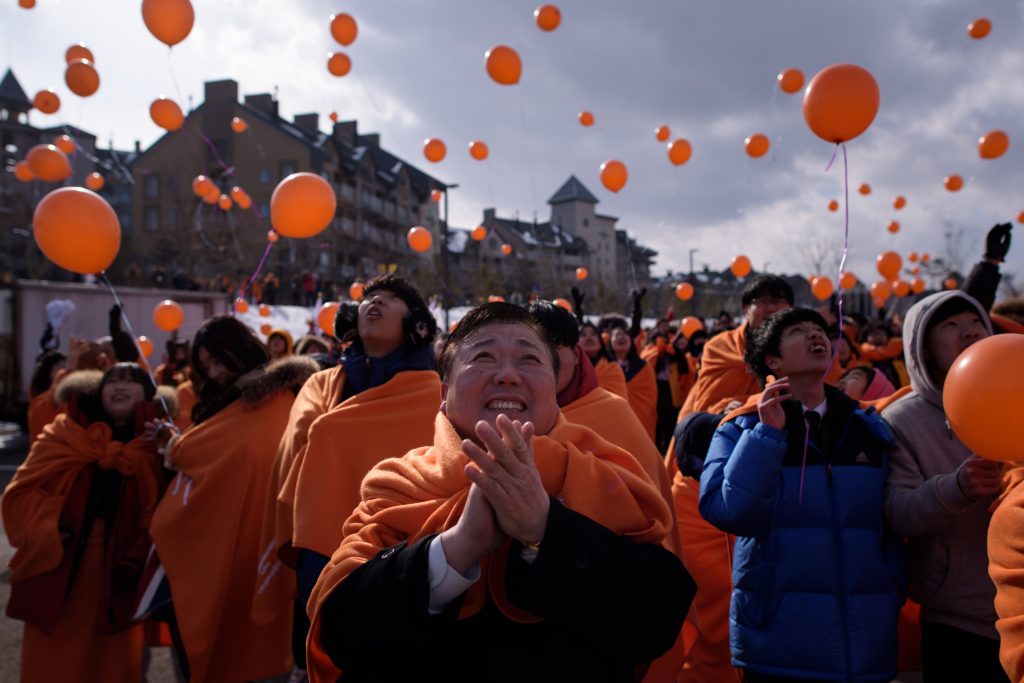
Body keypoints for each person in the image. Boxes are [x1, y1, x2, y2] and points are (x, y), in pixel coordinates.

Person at [305, 302, 694, 682]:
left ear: (554, 391)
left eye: (529, 360)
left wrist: (545, 528)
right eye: (484, 357)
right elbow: (341, 632)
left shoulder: (605, 471)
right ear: (444, 392)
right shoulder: (397, 482)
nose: (508, 375)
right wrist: (455, 549)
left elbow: (657, 621)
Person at [700, 307, 904, 682]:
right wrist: (767, 437)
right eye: (799, 331)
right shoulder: (740, 428)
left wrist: (890, 588)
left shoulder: (868, 428)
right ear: (771, 360)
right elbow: (728, 511)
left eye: (820, 330)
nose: (816, 336)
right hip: (778, 643)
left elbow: (888, 524)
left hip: (863, 641)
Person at [255, 275, 440, 677]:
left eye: (391, 300)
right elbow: (298, 449)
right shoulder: (321, 384)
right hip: (319, 540)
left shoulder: (436, 392)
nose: (374, 303)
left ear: (416, 323)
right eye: (369, 297)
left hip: (399, 550)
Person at [147, 316, 319, 683]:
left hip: (263, 537)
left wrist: (177, 448)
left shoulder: (276, 399)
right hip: (224, 537)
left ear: (238, 349)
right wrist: (177, 448)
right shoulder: (226, 400)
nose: (214, 372)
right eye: (206, 366)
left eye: (218, 360)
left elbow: (222, 452)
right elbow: (204, 452)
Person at [4, 363, 172, 683]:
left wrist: (168, 452)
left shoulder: (157, 444)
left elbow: (167, 509)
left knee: (112, 662)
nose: (119, 387)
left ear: (148, 393)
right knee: (52, 661)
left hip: (119, 573)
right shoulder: (64, 433)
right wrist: (50, 527)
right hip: (58, 565)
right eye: (112, 382)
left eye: (131, 381)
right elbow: (20, 493)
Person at [667, 273, 793, 683]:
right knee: (709, 586)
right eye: (764, 300)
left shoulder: (798, 354)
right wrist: (741, 406)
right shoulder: (721, 346)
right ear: (746, 309)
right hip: (704, 466)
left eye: (781, 301)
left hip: (772, 473)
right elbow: (705, 405)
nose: (772, 308)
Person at [882, 290, 1006, 682]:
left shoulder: (1016, 390)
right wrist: (955, 489)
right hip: (959, 619)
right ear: (923, 349)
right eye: (950, 326)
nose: (968, 333)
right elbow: (896, 512)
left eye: (974, 323)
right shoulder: (902, 419)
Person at [609, 325, 658, 439]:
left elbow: (650, 397)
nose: (621, 337)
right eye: (617, 335)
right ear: (609, 341)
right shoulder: (603, 368)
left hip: (640, 421)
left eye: (625, 335)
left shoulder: (644, 367)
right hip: (611, 421)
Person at [579, 321, 629, 399]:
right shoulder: (569, 370)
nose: (589, 337)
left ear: (600, 344)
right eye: (583, 334)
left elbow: (621, 404)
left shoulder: (613, 368)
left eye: (593, 334)